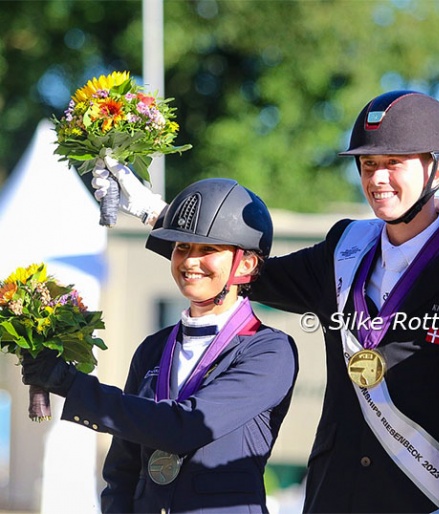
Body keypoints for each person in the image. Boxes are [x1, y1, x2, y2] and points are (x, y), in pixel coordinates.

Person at [89, 91, 439, 513]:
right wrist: (158, 213)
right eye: (368, 165)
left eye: (394, 162)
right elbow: (245, 271)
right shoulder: (343, 249)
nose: (377, 178)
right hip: (336, 492)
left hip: (430, 493)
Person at [21, 178, 299, 514]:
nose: (190, 262)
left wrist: (72, 384)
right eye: (182, 247)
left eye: (207, 250)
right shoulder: (154, 348)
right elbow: (122, 470)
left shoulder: (269, 351)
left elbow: (183, 427)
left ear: (246, 264)